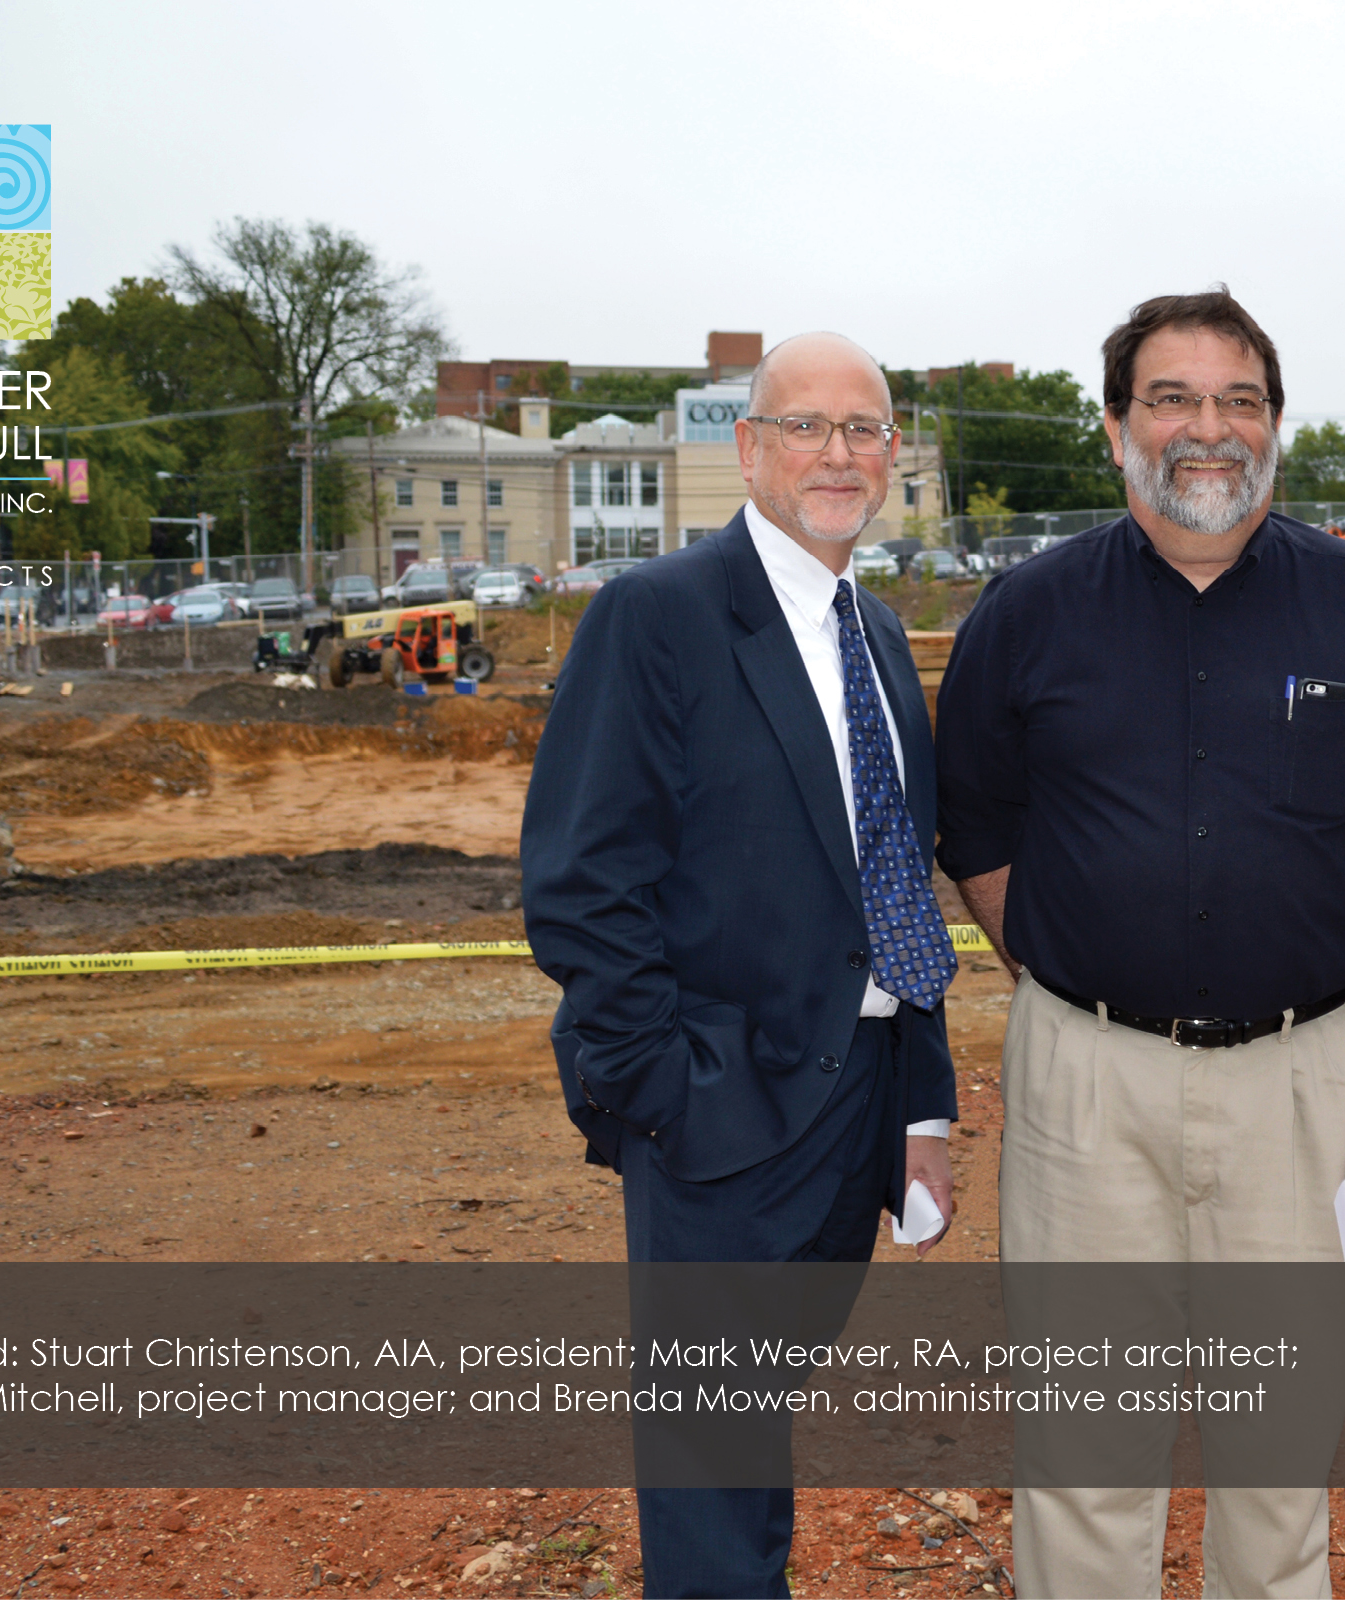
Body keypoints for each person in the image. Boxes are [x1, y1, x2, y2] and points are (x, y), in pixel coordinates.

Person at [934, 287, 1345, 1599]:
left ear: (1276, 426)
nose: (1208, 430)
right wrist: (1078, 982)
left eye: (1238, 401)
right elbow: (975, 830)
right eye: (1173, 399)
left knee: (1278, 1460)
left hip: (1302, 1084)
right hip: (1083, 1084)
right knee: (1082, 1461)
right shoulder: (1026, 616)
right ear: (1117, 424)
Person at [521, 331, 960, 1598]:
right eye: (807, 426)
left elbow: (895, 874)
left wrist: (920, 1103)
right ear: (748, 450)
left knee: (755, 1418)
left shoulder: (876, 633)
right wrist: (663, 1085)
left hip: (856, 1099)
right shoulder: (656, 617)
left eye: (864, 429)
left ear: (892, 456)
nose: (839, 453)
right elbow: (582, 881)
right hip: (719, 1110)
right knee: (712, 1458)